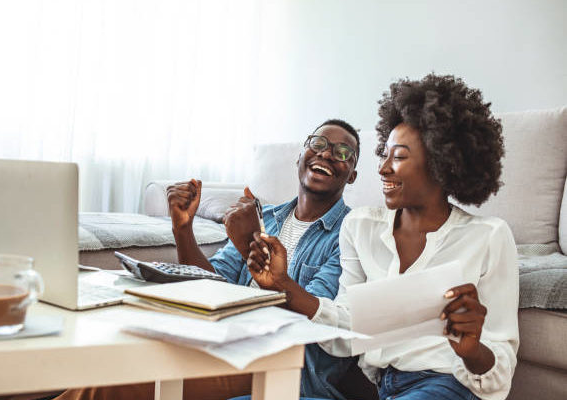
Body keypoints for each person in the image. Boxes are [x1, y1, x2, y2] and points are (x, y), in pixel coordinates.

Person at [248, 74, 519, 400]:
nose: (383, 169)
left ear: (441, 164)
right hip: (385, 388)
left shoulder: (488, 236)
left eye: (399, 157)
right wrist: (282, 285)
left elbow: (499, 369)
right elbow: (346, 333)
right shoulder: (361, 227)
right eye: (385, 155)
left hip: (451, 385)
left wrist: (472, 349)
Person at [53, 119, 361, 400]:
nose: (327, 154)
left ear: (352, 175)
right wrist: (183, 229)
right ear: (300, 156)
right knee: (113, 361)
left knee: (113, 385)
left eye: (343, 152)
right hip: (221, 342)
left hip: (278, 364)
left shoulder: (349, 234)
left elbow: (312, 321)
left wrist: (248, 249)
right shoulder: (265, 216)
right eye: (318, 144)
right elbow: (210, 283)